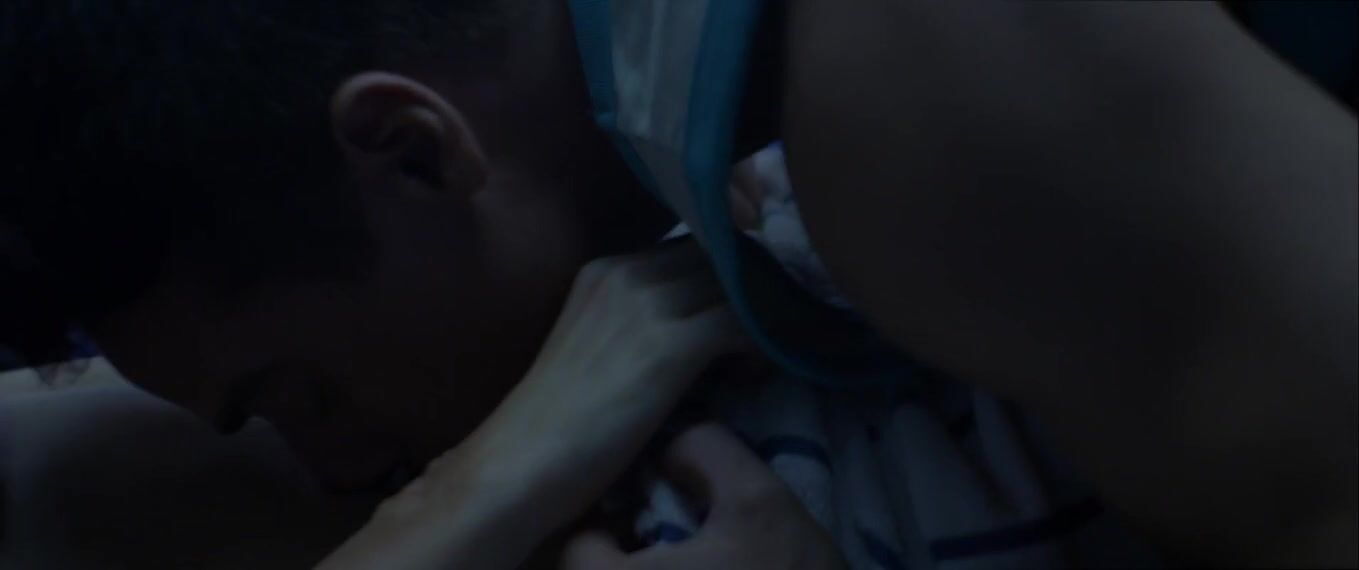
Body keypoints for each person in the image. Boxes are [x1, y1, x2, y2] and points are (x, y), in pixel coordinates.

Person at [2, 0, 1354, 567]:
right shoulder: (688, 102)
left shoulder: (918, 82)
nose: (344, 467)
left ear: (414, 149)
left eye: (301, 392)